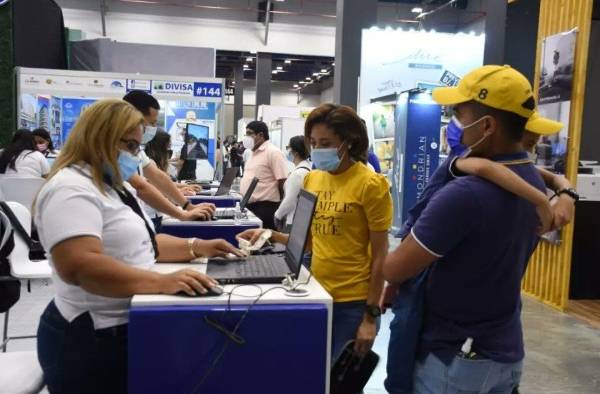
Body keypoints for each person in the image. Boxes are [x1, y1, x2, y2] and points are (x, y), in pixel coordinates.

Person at [382, 65, 579, 394]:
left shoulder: (465, 196)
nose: (453, 122)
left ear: (487, 125)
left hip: (454, 362)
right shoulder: (528, 179)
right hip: (502, 350)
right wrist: (564, 188)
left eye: (458, 112)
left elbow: (394, 267)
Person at [34, 99, 241, 394]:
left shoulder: (112, 185)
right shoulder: (70, 189)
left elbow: (144, 242)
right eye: (130, 146)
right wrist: (161, 282)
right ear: (99, 137)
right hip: (90, 337)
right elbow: (79, 266)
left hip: (123, 326)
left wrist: (197, 246)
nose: (135, 156)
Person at [239, 104, 392, 364]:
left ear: (349, 142)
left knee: (338, 380)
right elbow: (309, 242)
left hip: (352, 302)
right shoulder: (313, 180)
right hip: (315, 292)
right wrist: (270, 235)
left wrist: (370, 316)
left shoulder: (371, 185)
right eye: (313, 142)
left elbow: (381, 257)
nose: (318, 149)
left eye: (326, 142)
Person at [122, 91, 215, 222]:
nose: (153, 128)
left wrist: (188, 206)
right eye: (152, 123)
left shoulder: (136, 150)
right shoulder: (112, 148)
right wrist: (182, 213)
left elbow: (158, 177)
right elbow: (142, 187)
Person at [240, 121, 288, 230]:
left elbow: (283, 181)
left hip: (265, 208)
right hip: (249, 206)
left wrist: (279, 206)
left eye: (249, 133)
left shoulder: (273, 152)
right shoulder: (252, 152)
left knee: (264, 243)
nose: (246, 137)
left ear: (260, 135)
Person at [274, 136, 311, 231]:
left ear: (295, 153)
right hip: (301, 219)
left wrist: (278, 214)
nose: (287, 151)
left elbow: (289, 200)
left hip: (293, 221)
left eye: (288, 147)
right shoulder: (306, 168)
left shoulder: (298, 174)